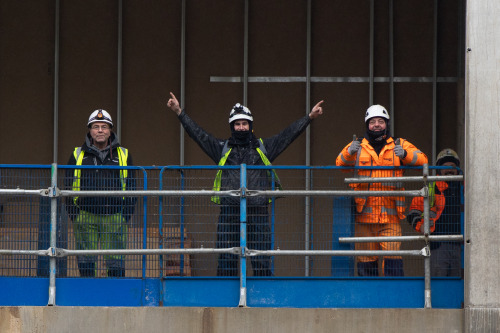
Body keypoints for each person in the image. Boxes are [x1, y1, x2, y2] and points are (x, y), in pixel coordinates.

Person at [166, 92, 324, 276]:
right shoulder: (222, 148)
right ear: (232, 126)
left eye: (244, 123)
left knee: (261, 258)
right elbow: (199, 135)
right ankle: (226, 301)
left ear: (250, 126)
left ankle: (262, 300)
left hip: (257, 210)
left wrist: (309, 117)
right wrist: (179, 112)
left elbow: (287, 136)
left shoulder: (262, 148)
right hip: (230, 211)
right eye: (237, 124)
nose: (241, 128)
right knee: (226, 258)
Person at [336, 104, 428, 276]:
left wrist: (405, 156)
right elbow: (340, 164)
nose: (376, 125)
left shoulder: (399, 145)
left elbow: (424, 160)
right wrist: (349, 152)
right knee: (365, 261)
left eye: (380, 121)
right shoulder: (358, 146)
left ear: (387, 124)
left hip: (390, 218)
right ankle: (368, 300)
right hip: (363, 218)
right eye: (372, 122)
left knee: (393, 259)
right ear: (367, 125)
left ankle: (393, 299)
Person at [66, 109, 136, 277]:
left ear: (110, 130)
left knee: (115, 262)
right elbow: (67, 187)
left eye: (104, 127)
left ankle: (115, 297)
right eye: (95, 126)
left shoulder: (123, 155)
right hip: (85, 216)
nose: (100, 130)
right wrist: (75, 215)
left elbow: (133, 187)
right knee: (86, 261)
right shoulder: (78, 155)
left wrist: (124, 215)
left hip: (114, 217)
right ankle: (88, 296)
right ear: (89, 130)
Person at [407, 148, 463, 277]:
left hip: (462, 246)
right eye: (445, 167)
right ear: (439, 169)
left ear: (457, 169)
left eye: (452, 166)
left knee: (460, 285)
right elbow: (413, 213)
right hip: (438, 246)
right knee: (438, 284)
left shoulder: (465, 187)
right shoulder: (431, 187)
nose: (449, 170)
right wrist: (421, 226)